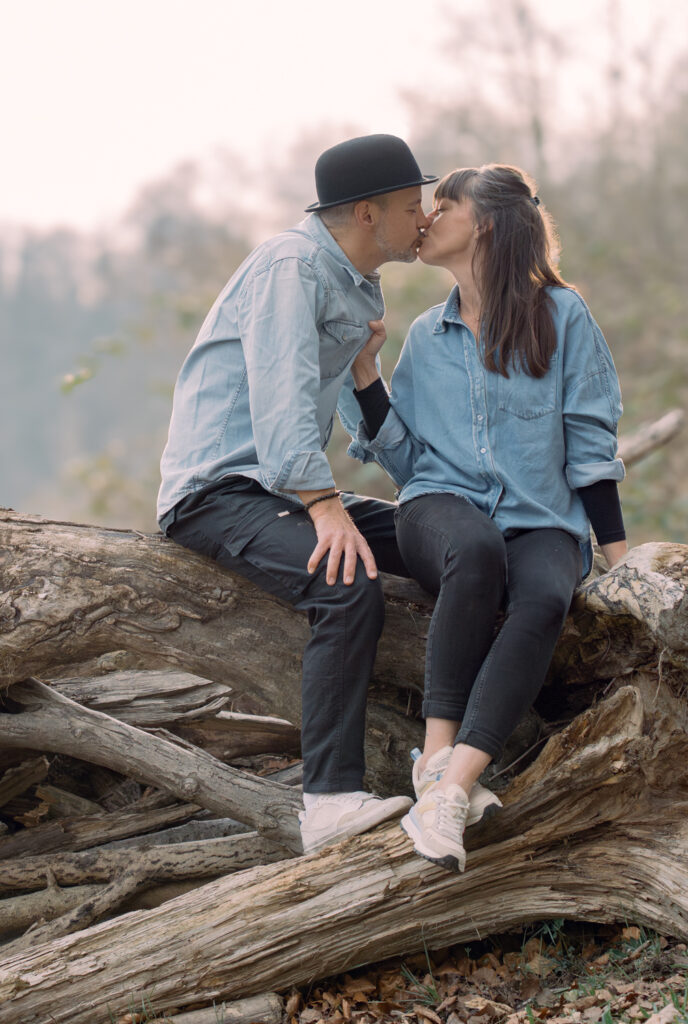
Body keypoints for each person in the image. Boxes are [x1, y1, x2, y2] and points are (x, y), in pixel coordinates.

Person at [157, 134, 438, 854]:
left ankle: (450, 764)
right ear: (369, 213)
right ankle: (329, 803)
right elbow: (281, 406)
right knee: (346, 586)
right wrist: (325, 506)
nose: (426, 218)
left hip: (278, 488)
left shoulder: (351, 280)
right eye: (413, 206)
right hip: (218, 490)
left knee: (435, 541)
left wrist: (366, 373)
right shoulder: (291, 267)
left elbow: (347, 409)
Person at [348, 164, 627, 873]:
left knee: (545, 594)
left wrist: (623, 564)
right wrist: (365, 377)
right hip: (439, 508)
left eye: (445, 205)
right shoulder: (425, 334)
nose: (428, 217)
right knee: (474, 550)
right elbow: (407, 460)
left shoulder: (562, 316)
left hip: (543, 519)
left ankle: (450, 788)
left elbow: (590, 445)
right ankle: (437, 755)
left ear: (487, 225)